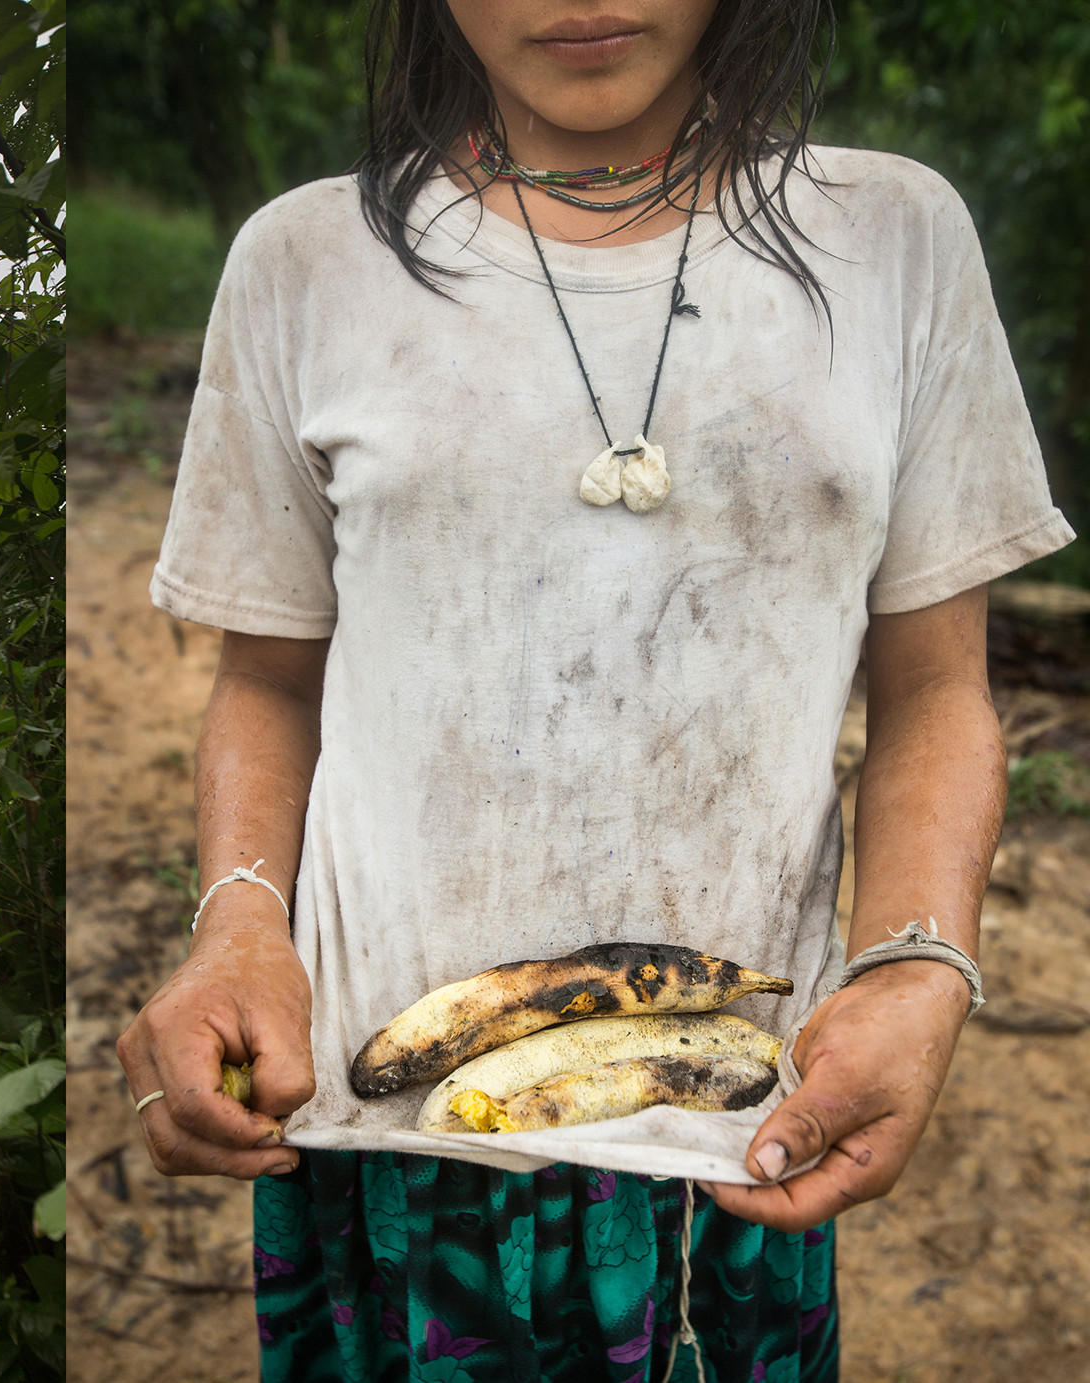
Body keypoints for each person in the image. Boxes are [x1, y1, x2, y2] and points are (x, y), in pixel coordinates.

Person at [116, 1, 1073, 1378]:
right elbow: (268, 681)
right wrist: (235, 932)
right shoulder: (305, 264)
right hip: (394, 1116)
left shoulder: (894, 244)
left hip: (739, 1111)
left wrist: (917, 966)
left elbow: (934, 689)